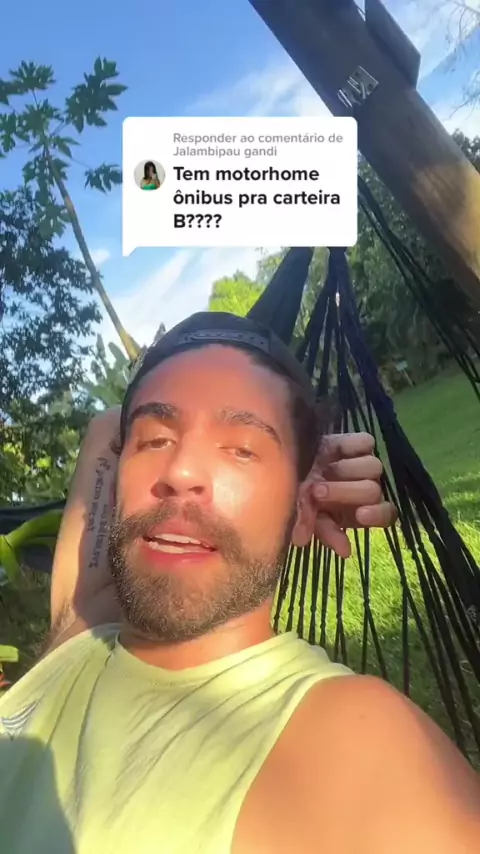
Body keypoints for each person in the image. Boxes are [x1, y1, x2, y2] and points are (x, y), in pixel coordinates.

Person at [0, 312, 478, 854]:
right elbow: (107, 428)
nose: (180, 471)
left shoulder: (357, 741)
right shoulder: (79, 632)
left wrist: (299, 467)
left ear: (303, 512)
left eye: (242, 450)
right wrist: (295, 451)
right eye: (155, 441)